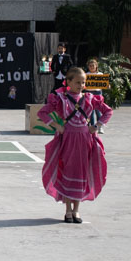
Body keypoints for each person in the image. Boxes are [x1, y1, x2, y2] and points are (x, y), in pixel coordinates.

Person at [37, 66, 112, 224]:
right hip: (68, 139)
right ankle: (68, 211)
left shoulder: (90, 98)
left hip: (85, 139)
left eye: (83, 82)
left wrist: (96, 126)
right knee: (67, 172)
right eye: (77, 82)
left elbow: (108, 111)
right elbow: (42, 112)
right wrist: (57, 126)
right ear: (68, 82)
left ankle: (76, 210)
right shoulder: (60, 98)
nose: (81, 85)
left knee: (81, 173)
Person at [85, 58, 105, 134]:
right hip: (89, 93)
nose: (91, 67)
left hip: (98, 93)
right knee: (91, 112)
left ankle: (100, 127)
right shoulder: (86, 75)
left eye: (93, 65)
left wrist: (107, 86)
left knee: (98, 111)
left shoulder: (100, 74)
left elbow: (104, 84)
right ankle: (93, 127)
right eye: (90, 66)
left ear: (96, 66)